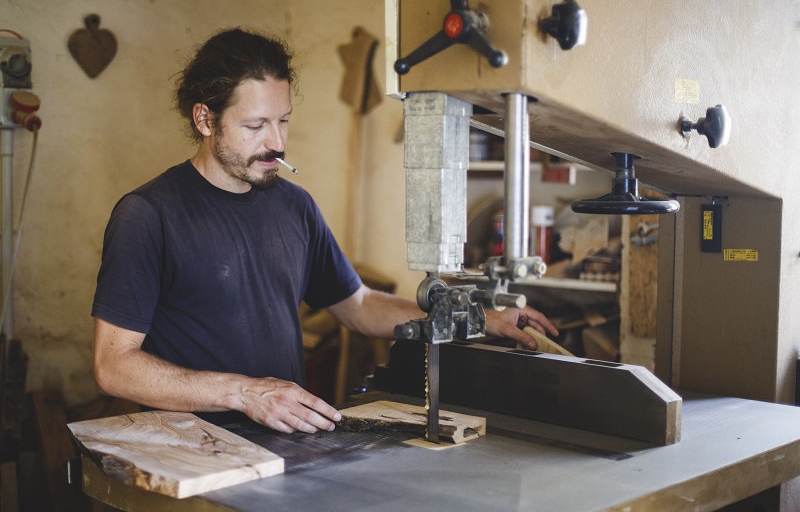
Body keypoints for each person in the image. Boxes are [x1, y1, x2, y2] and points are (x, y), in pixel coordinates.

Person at [91, 27, 559, 435]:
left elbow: (358, 305)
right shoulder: (148, 215)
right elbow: (114, 366)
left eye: (283, 121)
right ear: (205, 119)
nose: (275, 142)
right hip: (195, 457)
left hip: (288, 445)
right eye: (255, 125)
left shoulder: (294, 206)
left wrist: (473, 319)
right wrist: (244, 394)